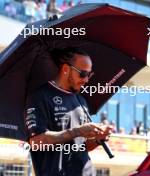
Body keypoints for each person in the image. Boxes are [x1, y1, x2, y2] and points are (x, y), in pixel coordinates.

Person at [25, 47, 112, 176]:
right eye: (83, 74)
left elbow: (81, 147)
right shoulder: (40, 96)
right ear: (66, 69)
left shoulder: (81, 100)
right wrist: (77, 131)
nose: (86, 80)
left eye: (89, 74)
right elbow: (36, 141)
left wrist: (98, 140)